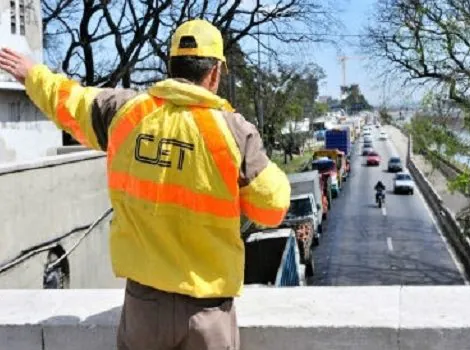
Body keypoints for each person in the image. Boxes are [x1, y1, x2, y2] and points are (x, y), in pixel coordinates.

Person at [0, 19, 291, 350]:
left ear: (171, 66)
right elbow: (273, 208)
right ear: (214, 73)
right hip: (207, 312)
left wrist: (31, 73)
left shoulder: (126, 112)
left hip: (142, 308)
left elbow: (70, 100)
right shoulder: (234, 132)